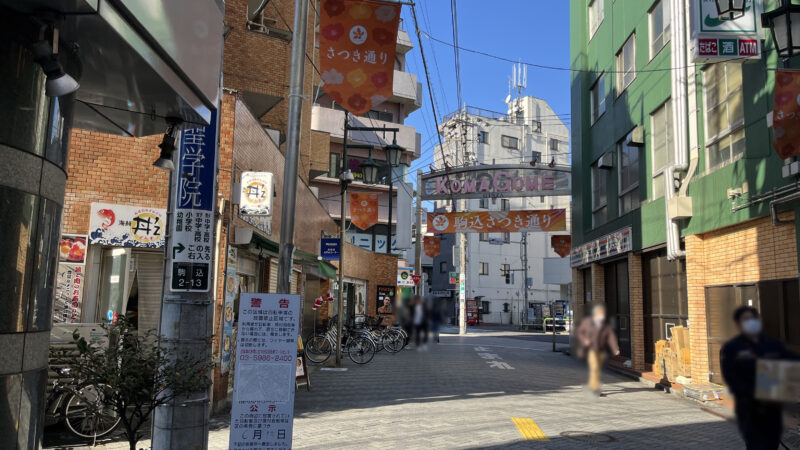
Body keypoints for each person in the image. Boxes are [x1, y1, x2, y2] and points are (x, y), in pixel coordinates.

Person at [721, 306, 796, 450]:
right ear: (738, 324)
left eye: (753, 319)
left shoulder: (772, 345)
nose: (751, 322)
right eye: (746, 319)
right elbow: (732, 378)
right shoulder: (732, 348)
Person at [575, 304, 620, 395]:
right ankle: (595, 389)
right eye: (600, 313)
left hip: (601, 351)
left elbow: (611, 337)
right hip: (592, 350)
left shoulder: (605, 326)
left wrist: (615, 348)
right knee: (594, 368)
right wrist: (585, 340)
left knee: (597, 370)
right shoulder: (588, 322)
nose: (602, 315)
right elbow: (580, 332)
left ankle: (593, 386)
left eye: (603, 313)